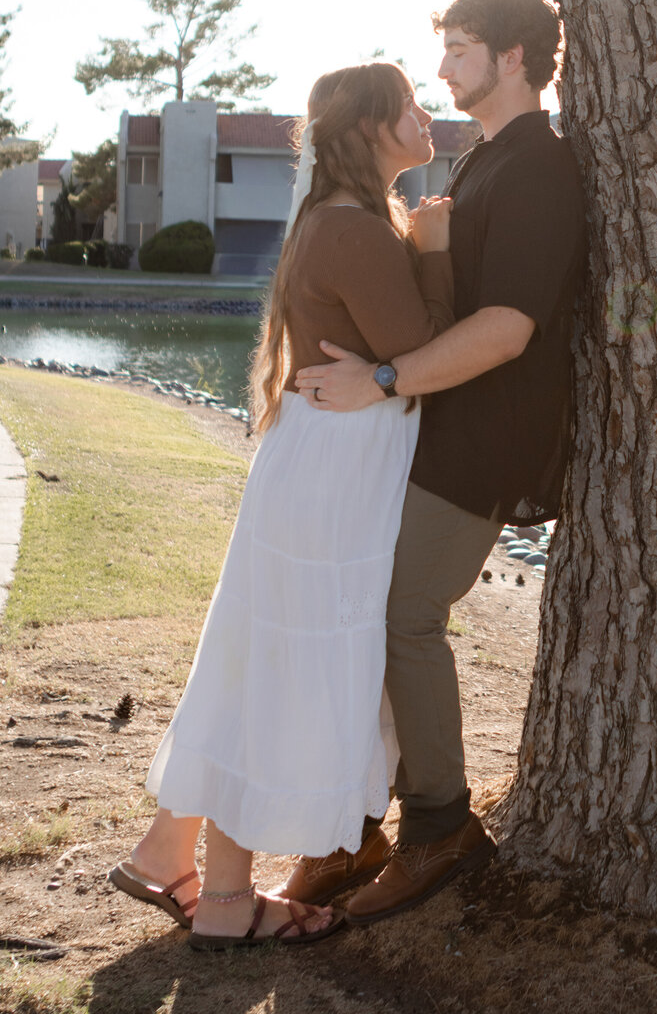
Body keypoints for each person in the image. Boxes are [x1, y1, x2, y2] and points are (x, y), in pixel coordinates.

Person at [108, 62, 455, 951]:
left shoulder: (337, 223)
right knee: (284, 672)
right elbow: (420, 353)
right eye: (410, 106)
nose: (427, 115)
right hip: (334, 481)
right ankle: (209, 886)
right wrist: (435, 251)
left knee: (261, 663)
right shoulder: (359, 233)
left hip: (318, 470)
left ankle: (192, 867)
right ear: (371, 129)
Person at [289, 0, 586, 925]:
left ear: (512, 59)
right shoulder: (485, 157)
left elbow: (506, 329)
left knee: (402, 612)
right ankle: (355, 828)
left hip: (489, 440)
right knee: (366, 609)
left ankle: (439, 828)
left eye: (461, 48)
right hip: (439, 430)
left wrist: (382, 381)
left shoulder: (539, 163)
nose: (444, 65)